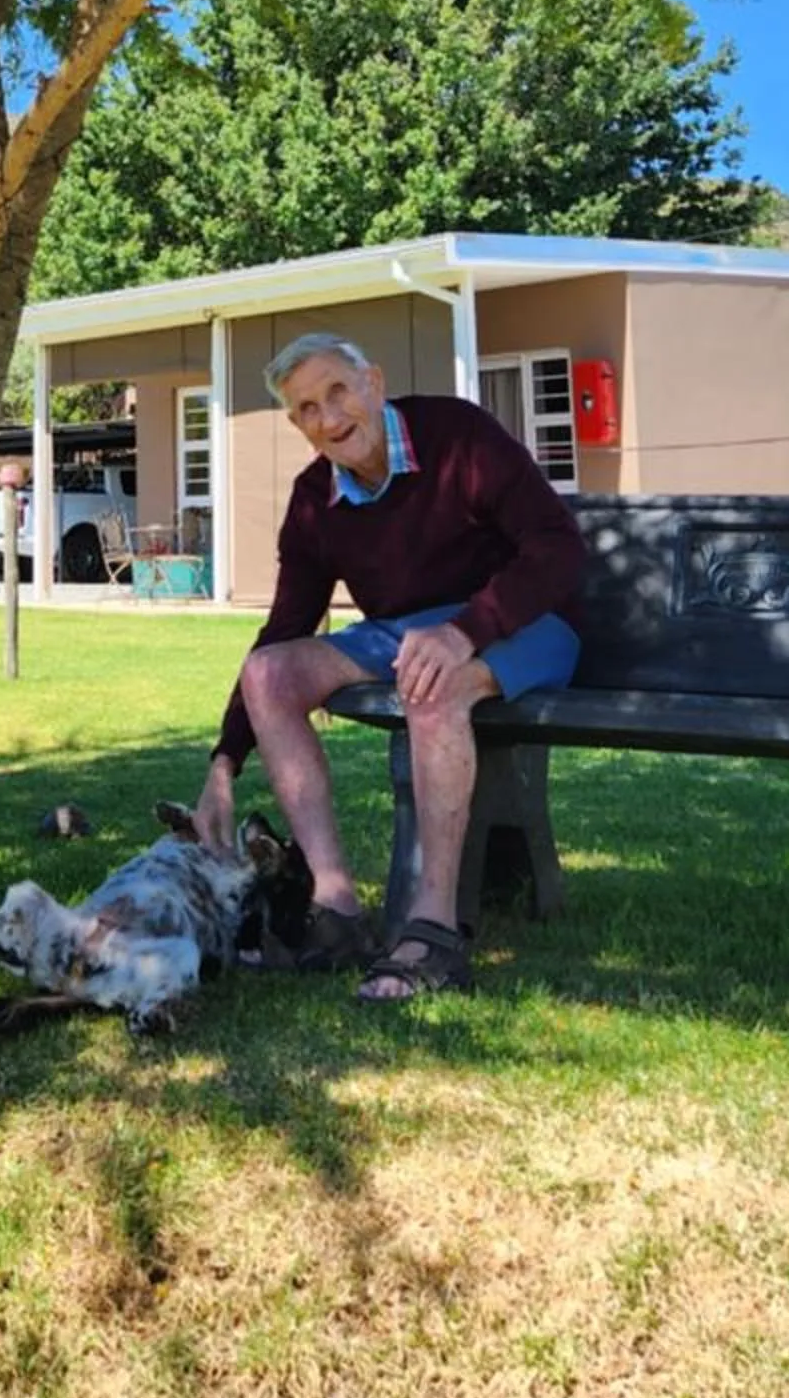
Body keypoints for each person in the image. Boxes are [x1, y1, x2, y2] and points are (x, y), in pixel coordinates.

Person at [192, 333, 584, 1003]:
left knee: (430, 680)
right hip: (406, 634)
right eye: (307, 408)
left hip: (524, 621)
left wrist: (465, 633)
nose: (329, 416)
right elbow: (285, 628)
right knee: (270, 673)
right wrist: (224, 762)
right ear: (297, 424)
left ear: (372, 381)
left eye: (338, 390)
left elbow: (556, 548)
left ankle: (433, 931)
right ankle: (337, 907)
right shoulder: (316, 499)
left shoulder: (458, 436)